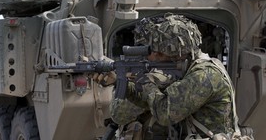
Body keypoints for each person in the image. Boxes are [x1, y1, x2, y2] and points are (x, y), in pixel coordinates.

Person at [98, 13, 253, 140]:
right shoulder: (190, 68)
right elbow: (149, 102)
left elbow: (165, 113)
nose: (151, 56)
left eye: (156, 52)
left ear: (173, 53)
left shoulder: (204, 75)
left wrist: (146, 82)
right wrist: (120, 83)